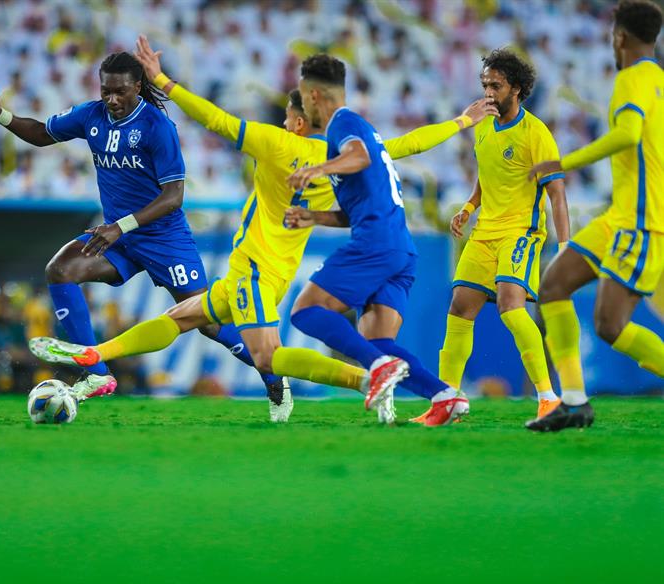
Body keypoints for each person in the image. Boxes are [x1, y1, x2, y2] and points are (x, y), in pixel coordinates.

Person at [30, 39, 495, 423]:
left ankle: (367, 377)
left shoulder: (277, 144)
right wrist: (460, 122)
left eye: (287, 116)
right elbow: (408, 145)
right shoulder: (345, 157)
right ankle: (97, 357)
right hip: (269, 271)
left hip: (255, 268)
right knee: (182, 318)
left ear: (296, 119)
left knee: (269, 356)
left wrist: (165, 82)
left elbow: (215, 119)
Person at [0, 52, 286, 405]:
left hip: (163, 238)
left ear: (138, 86)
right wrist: (0, 115)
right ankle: (96, 374)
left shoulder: (157, 127)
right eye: (106, 91)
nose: (112, 100)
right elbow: (41, 134)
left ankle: (273, 375)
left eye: (119, 92)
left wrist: (121, 226)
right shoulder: (91, 115)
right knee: (60, 270)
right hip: (118, 238)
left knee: (206, 321)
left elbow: (174, 195)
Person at [285, 54, 473, 427]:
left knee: (305, 311)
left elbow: (360, 156)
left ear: (313, 94)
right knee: (378, 341)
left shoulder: (344, 124)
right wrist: (315, 217)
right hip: (400, 248)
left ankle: (379, 367)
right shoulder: (361, 128)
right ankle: (445, 396)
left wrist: (317, 170)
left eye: (304, 97)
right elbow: (359, 203)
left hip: (375, 244)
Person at [527, 0, 663, 431]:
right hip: (618, 217)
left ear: (619, 37)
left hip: (640, 222)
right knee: (553, 286)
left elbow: (627, 133)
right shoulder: (657, 79)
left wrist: (562, 164)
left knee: (609, 325)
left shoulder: (633, 76)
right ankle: (574, 401)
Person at [419, 49, 570, 423]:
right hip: (485, 230)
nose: (487, 92)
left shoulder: (536, 133)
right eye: (485, 84)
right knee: (460, 306)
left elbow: (557, 192)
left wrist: (565, 246)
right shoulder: (482, 124)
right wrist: (469, 208)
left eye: (495, 85)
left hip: (522, 231)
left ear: (516, 89)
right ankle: (447, 400)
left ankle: (549, 397)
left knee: (510, 305)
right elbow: (487, 176)